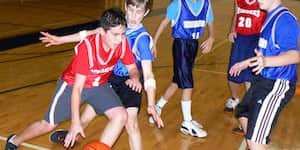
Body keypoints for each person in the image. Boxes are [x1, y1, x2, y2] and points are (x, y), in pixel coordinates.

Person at [5, 8, 143, 150]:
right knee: (47, 125)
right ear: (102, 31)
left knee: (121, 116)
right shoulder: (87, 49)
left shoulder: (122, 42)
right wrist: (75, 123)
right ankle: (15, 140)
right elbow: (77, 89)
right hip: (72, 85)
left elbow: (132, 68)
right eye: (115, 35)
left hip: (99, 85)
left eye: (122, 34)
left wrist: (135, 78)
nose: (120, 39)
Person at [39, 0, 164, 149]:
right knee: (86, 117)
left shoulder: (142, 40)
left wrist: (151, 104)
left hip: (130, 82)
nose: (133, 16)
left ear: (146, 13)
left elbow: (149, 75)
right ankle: (72, 135)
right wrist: (61, 40)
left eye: (139, 12)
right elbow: (87, 34)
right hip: (108, 78)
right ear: (125, 7)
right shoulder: (114, 25)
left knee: (131, 125)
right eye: (131, 10)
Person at [229, 0, 300, 148]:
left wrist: (265, 62)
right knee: (243, 111)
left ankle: (257, 141)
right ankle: (258, 140)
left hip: (277, 83)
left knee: (254, 140)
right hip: (263, 79)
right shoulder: (269, 16)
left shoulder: (284, 19)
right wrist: (247, 62)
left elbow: (294, 55)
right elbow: (267, 52)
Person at [148, 0, 215, 138]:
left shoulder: (206, 4)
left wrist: (212, 37)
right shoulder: (178, 4)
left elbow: (211, 22)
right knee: (188, 83)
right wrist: (154, 42)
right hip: (181, 45)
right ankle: (187, 122)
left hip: (193, 45)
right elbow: (164, 22)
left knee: (178, 81)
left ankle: (158, 107)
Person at [224, 0, 266, 113]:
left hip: (256, 39)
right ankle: (234, 98)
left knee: (250, 75)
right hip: (240, 38)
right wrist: (232, 31)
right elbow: (236, 14)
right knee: (232, 72)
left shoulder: (263, 2)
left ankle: (249, 105)